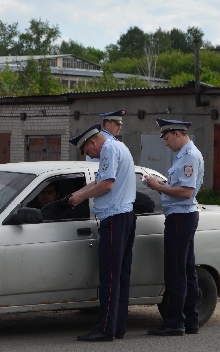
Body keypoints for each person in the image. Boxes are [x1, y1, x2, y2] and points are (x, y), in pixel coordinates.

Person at [68, 123, 136, 342]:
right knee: (121, 275)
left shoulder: (108, 149)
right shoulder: (118, 147)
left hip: (115, 218)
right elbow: (99, 180)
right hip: (125, 216)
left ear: (93, 143)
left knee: (109, 276)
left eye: (89, 152)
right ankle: (118, 326)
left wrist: (81, 198)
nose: (91, 156)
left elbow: (106, 184)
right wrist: (78, 192)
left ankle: (105, 328)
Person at [142, 118, 204, 337]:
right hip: (181, 215)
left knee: (175, 270)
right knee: (186, 269)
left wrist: (158, 186)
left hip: (181, 217)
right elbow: (180, 188)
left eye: (167, 138)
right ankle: (190, 319)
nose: (166, 144)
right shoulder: (184, 156)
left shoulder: (189, 157)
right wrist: (161, 187)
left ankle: (175, 322)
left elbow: (186, 192)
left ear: (178, 134)